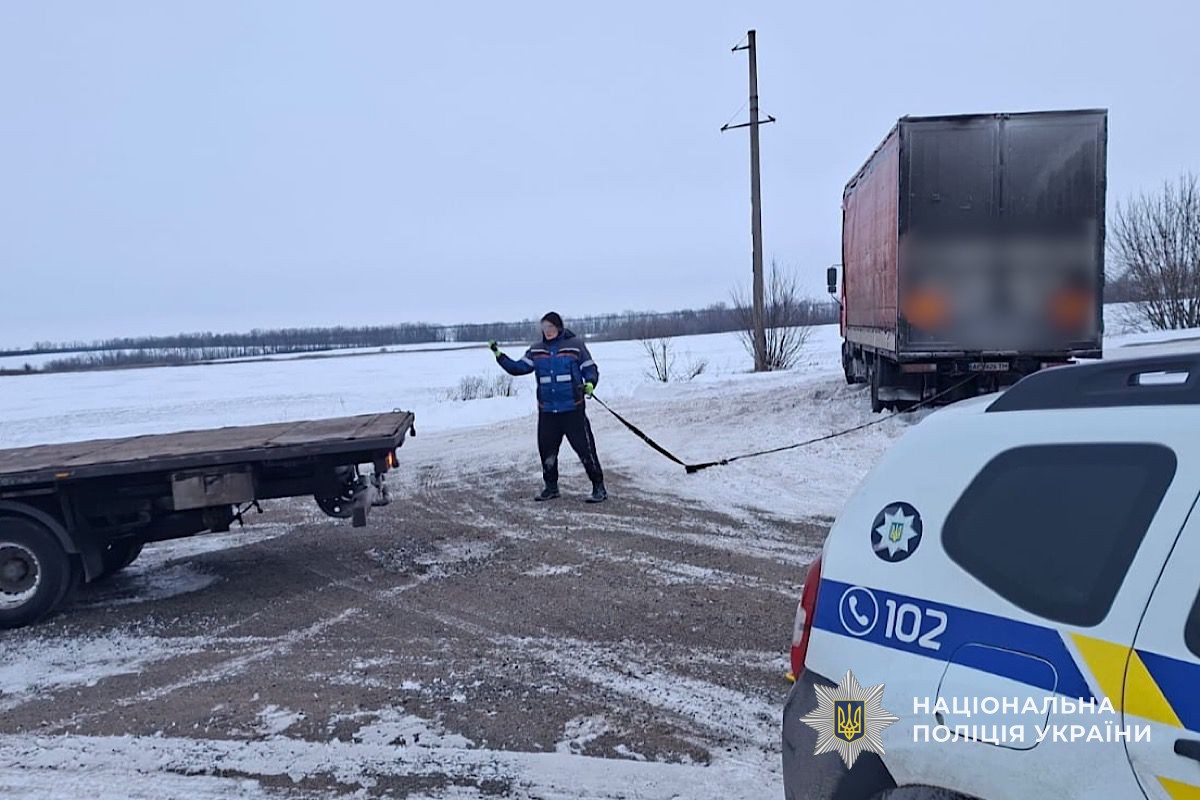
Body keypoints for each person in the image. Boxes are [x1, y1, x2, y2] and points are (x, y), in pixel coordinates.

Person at [489, 312, 607, 503]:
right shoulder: (536, 350)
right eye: (544, 328)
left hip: (573, 409)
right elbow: (518, 368)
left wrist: (590, 383)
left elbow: (589, 368)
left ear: (559, 327)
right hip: (548, 412)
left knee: (586, 450)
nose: (548, 331)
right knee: (547, 451)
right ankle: (551, 488)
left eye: (551, 327)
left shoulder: (575, 345)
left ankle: (598, 487)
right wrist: (498, 355)